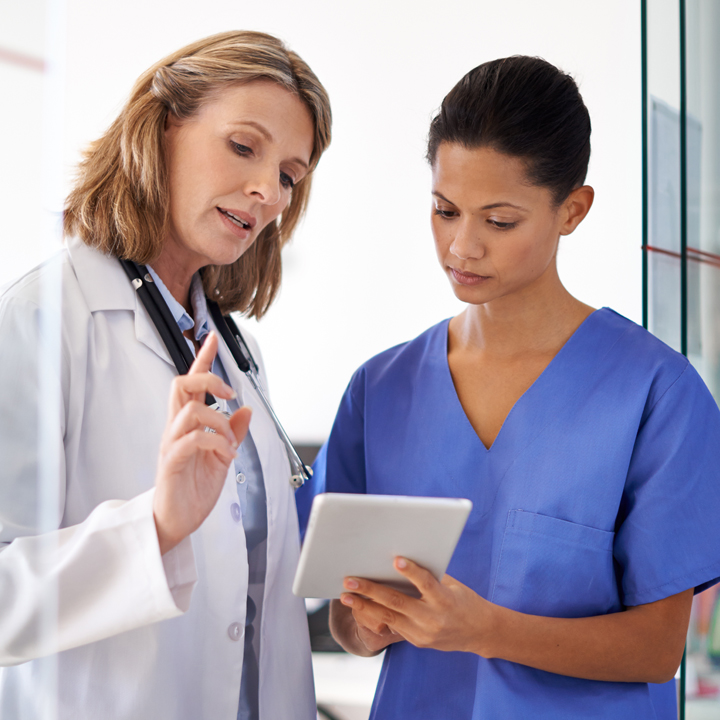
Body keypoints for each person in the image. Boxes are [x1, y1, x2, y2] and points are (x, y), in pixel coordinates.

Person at [297, 56, 720, 719]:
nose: (461, 247)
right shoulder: (381, 390)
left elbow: (656, 649)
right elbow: (349, 624)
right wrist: (369, 625)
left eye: (499, 222)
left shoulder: (656, 393)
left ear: (572, 210)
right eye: (445, 210)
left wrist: (484, 630)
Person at [0, 30, 331, 720]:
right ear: (163, 127)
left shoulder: (234, 352)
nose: (267, 191)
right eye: (243, 147)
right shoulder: (45, 320)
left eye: (289, 175)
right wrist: (153, 526)